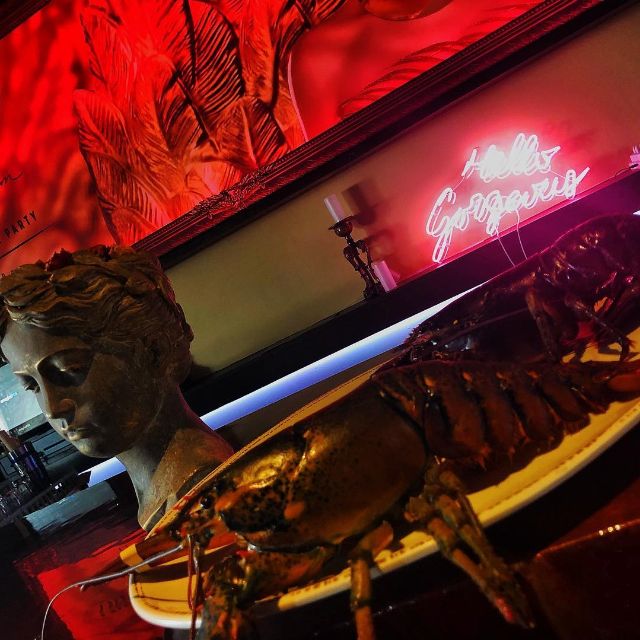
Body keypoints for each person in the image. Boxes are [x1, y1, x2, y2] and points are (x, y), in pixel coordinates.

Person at [0, 245, 233, 530]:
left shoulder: (204, 492)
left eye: (69, 370)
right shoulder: (161, 488)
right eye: (31, 385)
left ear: (154, 349)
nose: (53, 408)